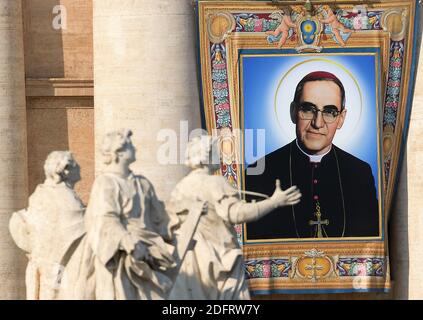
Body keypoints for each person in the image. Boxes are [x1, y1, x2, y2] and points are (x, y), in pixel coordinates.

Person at [245, 71, 379, 239]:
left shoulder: (360, 173)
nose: (317, 123)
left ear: (341, 119)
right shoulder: (260, 173)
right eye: (308, 110)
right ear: (294, 112)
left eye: (330, 112)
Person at [167, 136, 301, 300]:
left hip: (189, 258)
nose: (221, 156)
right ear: (207, 155)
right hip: (218, 257)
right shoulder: (214, 183)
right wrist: (273, 202)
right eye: (217, 152)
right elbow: (237, 213)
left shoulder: (180, 187)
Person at [59, 129, 177, 300]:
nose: (135, 149)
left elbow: (161, 217)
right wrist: (126, 240)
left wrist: (185, 213)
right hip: (118, 257)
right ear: (118, 153)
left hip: (147, 255)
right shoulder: (106, 183)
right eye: (131, 146)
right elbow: (105, 218)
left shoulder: (143, 183)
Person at [9, 151, 85, 300]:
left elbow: (21, 221)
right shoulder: (64, 198)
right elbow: (81, 227)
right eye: (76, 165)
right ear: (66, 169)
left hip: (48, 267)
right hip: (60, 267)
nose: (80, 167)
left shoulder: (41, 193)